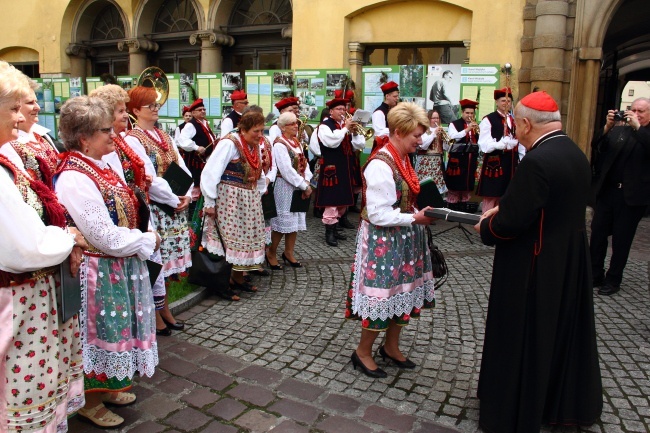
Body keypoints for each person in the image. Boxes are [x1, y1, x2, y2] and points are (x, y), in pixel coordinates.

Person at [473, 91, 602, 433]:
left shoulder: (538, 160)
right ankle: (554, 402)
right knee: (557, 333)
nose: (516, 130)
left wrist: (488, 224)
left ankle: (516, 407)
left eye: (517, 124)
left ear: (527, 123)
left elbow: (509, 224)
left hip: (533, 265)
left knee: (525, 335)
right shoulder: (575, 153)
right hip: (567, 260)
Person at [55, 95, 160, 429]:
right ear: (84, 138)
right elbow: (103, 235)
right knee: (98, 333)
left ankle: (109, 385)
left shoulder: (98, 165)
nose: (113, 135)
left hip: (117, 265)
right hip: (98, 270)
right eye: (105, 131)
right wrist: (146, 240)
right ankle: (90, 400)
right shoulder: (74, 175)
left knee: (116, 330)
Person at [0, 61, 85, 433]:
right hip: (18, 302)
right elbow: (25, 247)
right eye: (14, 108)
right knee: (23, 394)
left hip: (27, 296)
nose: (21, 118)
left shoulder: (9, 155)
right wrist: (67, 238)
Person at [346, 102, 435, 379]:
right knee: (382, 296)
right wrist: (414, 219)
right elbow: (377, 214)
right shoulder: (380, 165)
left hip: (405, 237)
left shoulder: (403, 157)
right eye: (416, 136)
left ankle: (391, 347)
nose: (420, 141)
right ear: (398, 132)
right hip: (382, 241)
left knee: (403, 294)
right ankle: (362, 352)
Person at [124, 86, 192, 335]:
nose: (155, 108)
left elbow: (180, 164)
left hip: (173, 204)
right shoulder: (133, 138)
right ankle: (157, 313)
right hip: (157, 208)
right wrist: (175, 199)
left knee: (165, 266)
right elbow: (148, 178)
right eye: (149, 105)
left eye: (156, 104)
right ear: (135, 110)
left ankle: (164, 309)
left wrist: (187, 192)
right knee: (156, 264)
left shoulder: (164, 135)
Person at [200, 111, 266, 300]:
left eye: (262, 130)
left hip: (248, 200)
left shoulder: (253, 144)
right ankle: (221, 283)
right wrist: (210, 201)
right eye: (256, 131)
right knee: (226, 241)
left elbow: (257, 170)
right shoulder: (230, 143)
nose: (260, 135)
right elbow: (210, 172)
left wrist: (259, 190)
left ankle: (237, 278)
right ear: (243, 129)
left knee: (244, 239)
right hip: (230, 200)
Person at [590, 97, 650, 296]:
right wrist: (607, 127)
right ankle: (595, 273)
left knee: (621, 240)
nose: (635, 114)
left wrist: (638, 128)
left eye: (640, 111)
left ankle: (613, 279)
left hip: (631, 197)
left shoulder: (645, 133)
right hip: (608, 193)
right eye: (632, 109)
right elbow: (597, 145)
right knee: (597, 234)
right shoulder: (620, 130)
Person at [314, 97, 365, 246]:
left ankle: (335, 229)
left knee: (342, 201)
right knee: (332, 201)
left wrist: (355, 133)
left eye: (344, 109)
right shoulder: (325, 126)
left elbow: (359, 145)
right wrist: (345, 129)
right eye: (339, 109)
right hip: (332, 168)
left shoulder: (345, 126)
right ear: (331, 111)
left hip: (345, 167)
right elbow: (331, 142)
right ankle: (329, 232)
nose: (342, 112)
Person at [268, 112, 313, 268]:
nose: (296, 126)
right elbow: (286, 170)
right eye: (292, 124)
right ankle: (271, 252)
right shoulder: (279, 144)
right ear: (283, 127)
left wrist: (307, 179)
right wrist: (304, 185)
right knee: (283, 222)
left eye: (296, 123)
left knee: (294, 221)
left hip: (298, 185)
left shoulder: (296, 142)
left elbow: (305, 163)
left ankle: (288, 252)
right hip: (285, 187)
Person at [2, 78, 59, 188]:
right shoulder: (7, 142)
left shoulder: (43, 134)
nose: (37, 107)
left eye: (36, 102)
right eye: (30, 103)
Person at [476, 87, 524, 213]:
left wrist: (521, 155)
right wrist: (499, 144)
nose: (506, 103)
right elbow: (483, 144)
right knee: (492, 195)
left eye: (509, 101)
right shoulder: (488, 119)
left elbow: (521, 140)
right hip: (495, 163)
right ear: (496, 102)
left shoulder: (514, 120)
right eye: (503, 100)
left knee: (507, 195)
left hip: (511, 163)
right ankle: (486, 222)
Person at [446, 99, 480, 210]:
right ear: (462, 113)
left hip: (470, 160)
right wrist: (467, 130)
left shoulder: (475, 125)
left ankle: (463, 207)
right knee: (456, 183)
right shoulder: (454, 124)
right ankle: (452, 208)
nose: (469, 115)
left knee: (466, 184)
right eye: (467, 113)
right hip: (458, 159)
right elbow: (452, 136)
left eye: (471, 113)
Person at [414, 108, 447, 195]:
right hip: (425, 162)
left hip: (437, 162)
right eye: (434, 118)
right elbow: (423, 146)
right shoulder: (425, 130)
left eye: (437, 118)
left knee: (436, 187)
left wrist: (446, 139)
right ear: (429, 119)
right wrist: (434, 134)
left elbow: (446, 148)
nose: (436, 120)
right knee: (424, 185)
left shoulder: (440, 130)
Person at [371, 81, 399, 152]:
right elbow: (379, 133)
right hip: (382, 149)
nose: (397, 98)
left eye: (397, 96)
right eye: (395, 96)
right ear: (387, 96)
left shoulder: (393, 110)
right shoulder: (379, 112)